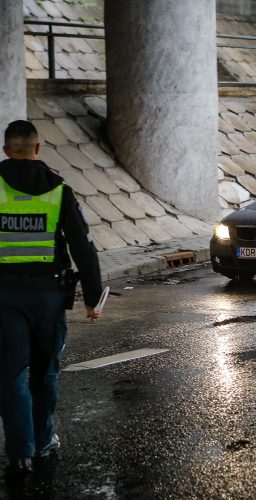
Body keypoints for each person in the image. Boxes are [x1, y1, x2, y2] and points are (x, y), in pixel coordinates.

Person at [0, 120, 103, 477]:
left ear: (5, 149)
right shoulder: (58, 190)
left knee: (10, 373)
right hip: (47, 297)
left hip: (5, 297)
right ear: (37, 149)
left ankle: (20, 454)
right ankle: (43, 441)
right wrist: (93, 298)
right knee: (44, 373)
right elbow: (83, 248)